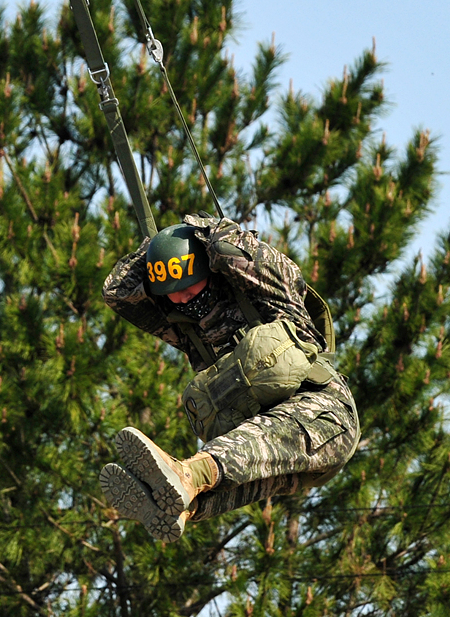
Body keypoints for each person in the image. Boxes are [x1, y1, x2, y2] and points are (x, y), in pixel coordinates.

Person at [99, 214, 360, 542]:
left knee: (218, 460)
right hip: (271, 456)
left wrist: (202, 231)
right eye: (169, 292)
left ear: (207, 268)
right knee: (229, 478)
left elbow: (231, 248)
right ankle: (176, 506)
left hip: (323, 420)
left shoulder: (270, 293)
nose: (181, 298)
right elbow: (117, 291)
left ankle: (186, 474)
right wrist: (156, 250)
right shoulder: (189, 330)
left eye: (185, 284)